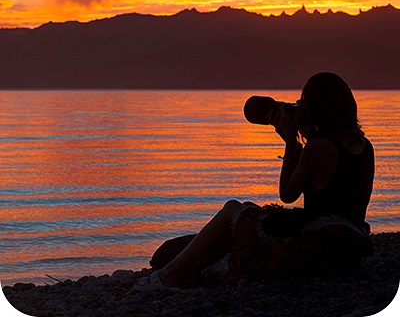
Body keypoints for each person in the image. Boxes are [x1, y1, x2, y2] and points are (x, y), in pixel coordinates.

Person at [134, 72, 375, 291]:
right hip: (348, 247)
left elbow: (287, 194)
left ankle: (168, 275)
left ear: (316, 108)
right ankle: (192, 271)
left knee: (232, 209)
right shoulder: (364, 145)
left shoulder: (319, 146)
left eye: (305, 102)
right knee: (245, 215)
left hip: (315, 245)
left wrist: (291, 142)